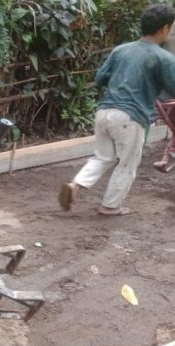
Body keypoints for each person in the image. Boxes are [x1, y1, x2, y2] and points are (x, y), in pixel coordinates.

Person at [59, 4, 175, 215]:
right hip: (130, 116)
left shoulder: (121, 50)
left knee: (103, 157)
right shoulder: (163, 58)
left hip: (104, 112)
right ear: (164, 29)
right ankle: (110, 206)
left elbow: (100, 78)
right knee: (128, 163)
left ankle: (75, 186)